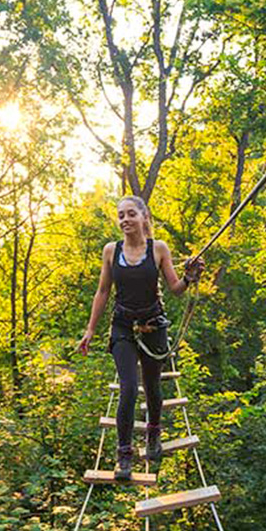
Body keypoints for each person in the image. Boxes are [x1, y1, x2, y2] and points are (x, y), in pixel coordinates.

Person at [77, 195, 204, 480]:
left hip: (153, 325)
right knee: (129, 389)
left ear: (144, 217)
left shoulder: (158, 248)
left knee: (152, 386)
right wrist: (90, 330)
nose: (125, 220)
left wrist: (189, 277)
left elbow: (175, 288)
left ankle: (153, 432)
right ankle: (124, 455)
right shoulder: (111, 250)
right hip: (123, 326)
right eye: (121, 215)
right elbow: (103, 291)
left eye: (131, 214)